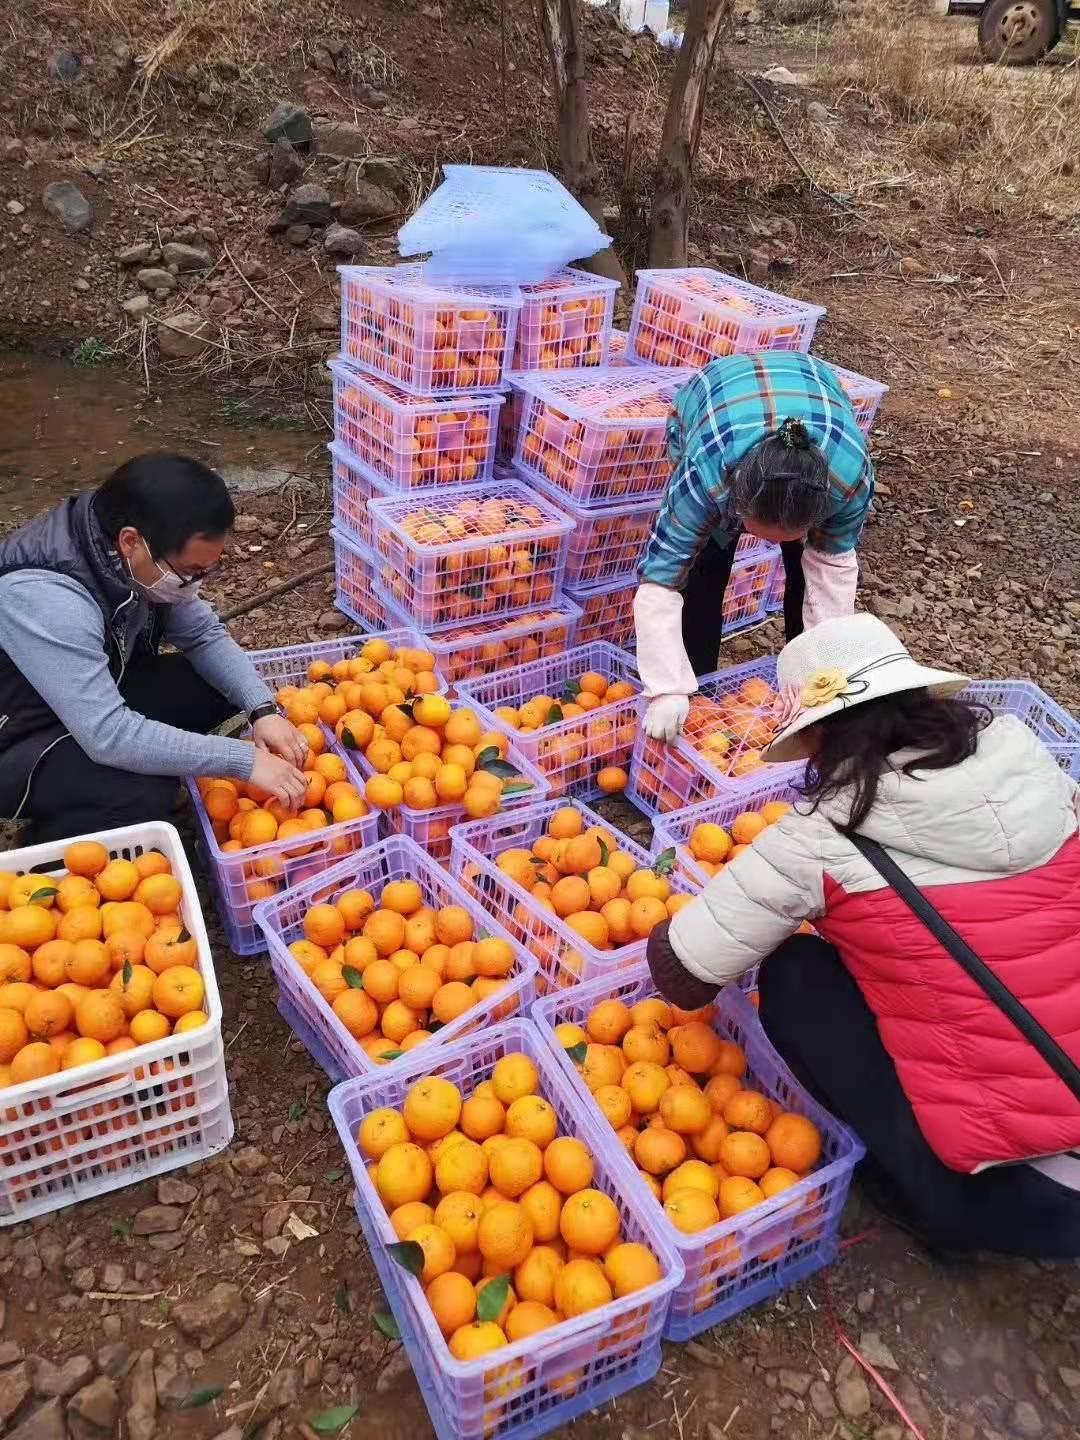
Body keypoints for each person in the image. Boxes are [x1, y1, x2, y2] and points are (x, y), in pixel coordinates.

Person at [646, 614, 1080, 1257]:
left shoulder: (826, 833)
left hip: (1034, 1202)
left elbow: (681, 974)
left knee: (796, 971)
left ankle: (928, 1200)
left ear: (818, 734)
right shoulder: (1026, 762)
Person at [0, 452, 310, 844]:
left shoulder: (127, 546)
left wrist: (263, 708)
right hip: (20, 737)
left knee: (214, 686)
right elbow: (109, 734)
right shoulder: (47, 598)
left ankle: (118, 779)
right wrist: (243, 760)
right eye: (190, 572)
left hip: (88, 691)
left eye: (207, 571)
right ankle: (55, 844)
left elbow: (203, 635)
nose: (196, 584)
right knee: (145, 796)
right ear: (131, 541)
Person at [634, 351, 875, 743]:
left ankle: (802, 681)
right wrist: (666, 686)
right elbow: (660, 579)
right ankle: (698, 690)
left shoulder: (849, 479)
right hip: (718, 392)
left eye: (789, 535)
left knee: (805, 573)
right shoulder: (706, 474)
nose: (764, 545)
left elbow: (831, 573)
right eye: (757, 531)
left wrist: (824, 677)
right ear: (736, 504)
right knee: (704, 567)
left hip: (812, 388)